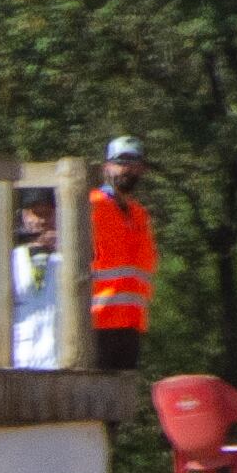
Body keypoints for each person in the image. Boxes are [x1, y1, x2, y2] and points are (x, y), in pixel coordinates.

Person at [87, 138, 156, 373]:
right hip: (97, 323)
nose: (127, 169)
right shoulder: (91, 206)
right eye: (120, 162)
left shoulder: (140, 215)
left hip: (131, 324)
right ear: (106, 167)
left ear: (143, 169)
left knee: (122, 401)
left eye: (134, 163)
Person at [10, 192, 61, 370]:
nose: (41, 221)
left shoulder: (69, 260)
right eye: (35, 214)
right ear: (24, 216)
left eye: (47, 214)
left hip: (58, 360)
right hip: (19, 360)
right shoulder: (10, 260)